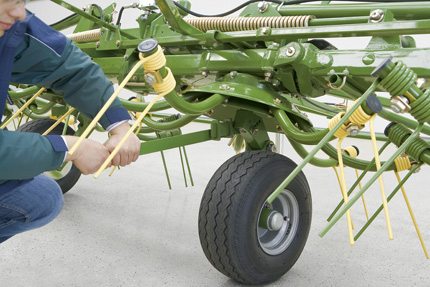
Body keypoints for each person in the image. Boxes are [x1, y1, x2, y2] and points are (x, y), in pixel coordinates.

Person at [0, 0, 141, 243]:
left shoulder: (12, 26)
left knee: (39, 196)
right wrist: (65, 148)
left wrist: (119, 124)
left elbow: (69, 66)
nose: (20, 12)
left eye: (21, 1)